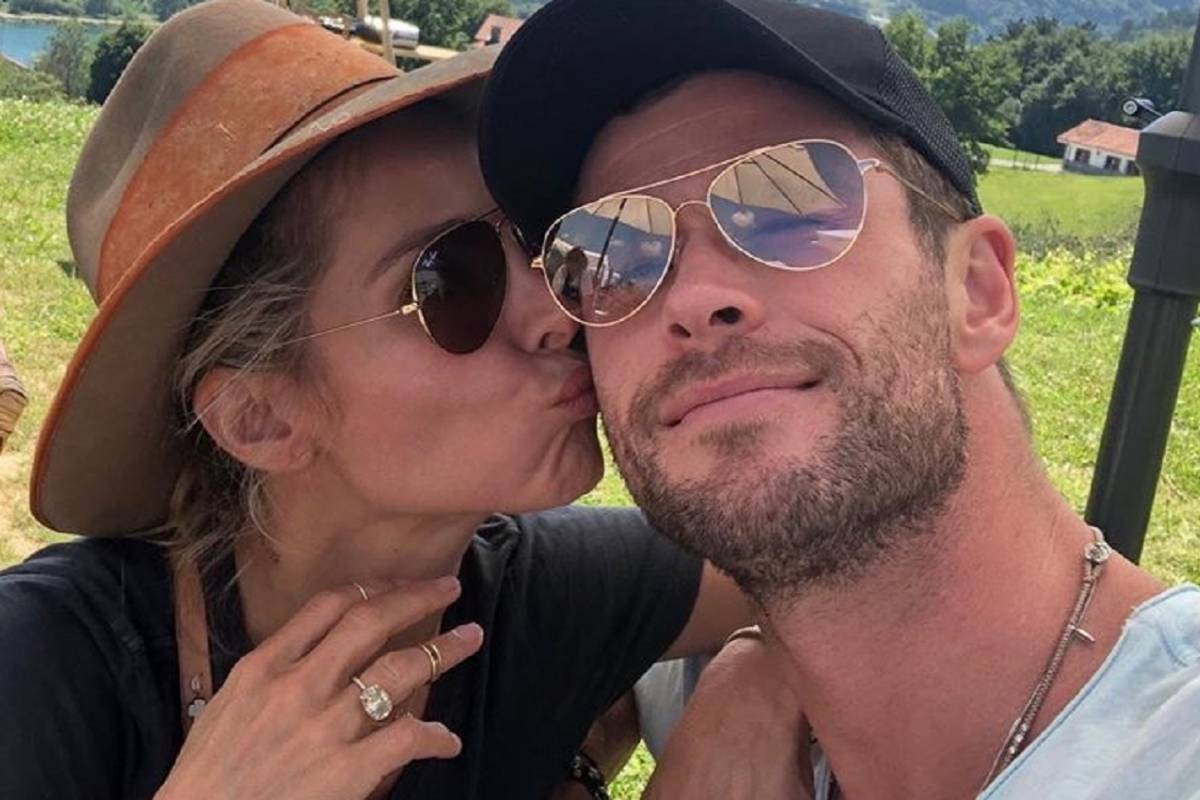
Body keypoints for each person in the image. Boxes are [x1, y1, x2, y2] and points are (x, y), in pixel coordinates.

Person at [0, 2, 750, 799]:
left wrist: (748, 685)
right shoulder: (40, 672)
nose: (558, 310)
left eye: (538, 239)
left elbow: (819, 565)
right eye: (451, 280)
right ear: (260, 416)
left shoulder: (541, 596)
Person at [477, 0, 1200, 797]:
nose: (693, 299)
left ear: (977, 290)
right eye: (613, 252)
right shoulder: (690, 689)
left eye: (787, 208)